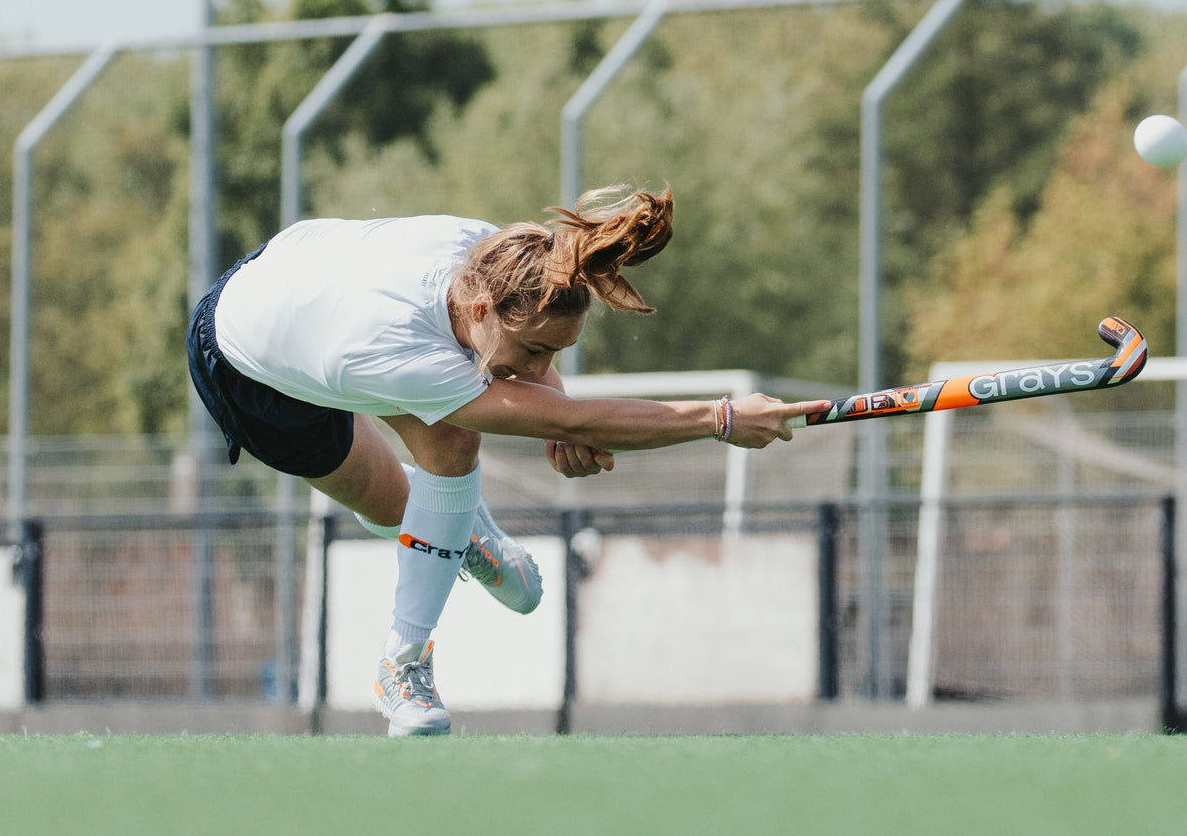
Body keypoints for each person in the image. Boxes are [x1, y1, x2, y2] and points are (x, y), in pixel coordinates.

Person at [186, 184, 822, 736]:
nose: (542, 371)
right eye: (535, 351)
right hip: (250, 366)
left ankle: (430, 596)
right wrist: (722, 418)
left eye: (555, 354)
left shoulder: (504, 257)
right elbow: (565, 418)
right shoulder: (400, 354)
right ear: (482, 311)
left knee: (446, 463)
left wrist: (555, 411)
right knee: (403, 501)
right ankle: (401, 663)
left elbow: (555, 404)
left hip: (315, 299)